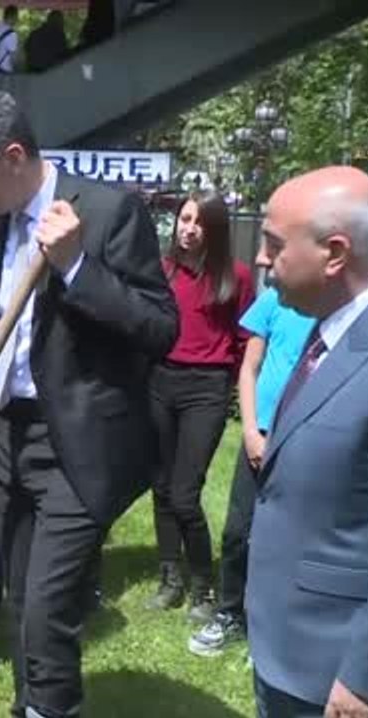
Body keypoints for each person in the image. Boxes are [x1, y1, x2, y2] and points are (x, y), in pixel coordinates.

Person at [0, 91, 177, 718]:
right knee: (21, 600)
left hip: (77, 446)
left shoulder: (109, 211)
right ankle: (31, 707)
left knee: (49, 608)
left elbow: (160, 328)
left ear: (11, 156)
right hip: (8, 438)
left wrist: (77, 268)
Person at [245, 166, 368, 718]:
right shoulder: (330, 329)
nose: (260, 259)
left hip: (340, 678)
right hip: (291, 652)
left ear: (334, 254)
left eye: (273, 245)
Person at [187, 274, 313, 658]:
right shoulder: (277, 297)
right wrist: (250, 432)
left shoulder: (339, 307)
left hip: (307, 436)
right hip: (260, 433)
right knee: (238, 532)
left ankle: (280, 627)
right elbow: (249, 367)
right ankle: (230, 613)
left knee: (295, 537)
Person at [146, 193, 254, 621]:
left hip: (205, 389)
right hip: (159, 381)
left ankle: (202, 586)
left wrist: (231, 384)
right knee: (160, 486)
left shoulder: (237, 276)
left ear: (215, 230)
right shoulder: (163, 270)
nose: (187, 228)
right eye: (183, 219)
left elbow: (247, 340)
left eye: (198, 222)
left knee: (185, 494)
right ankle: (169, 577)